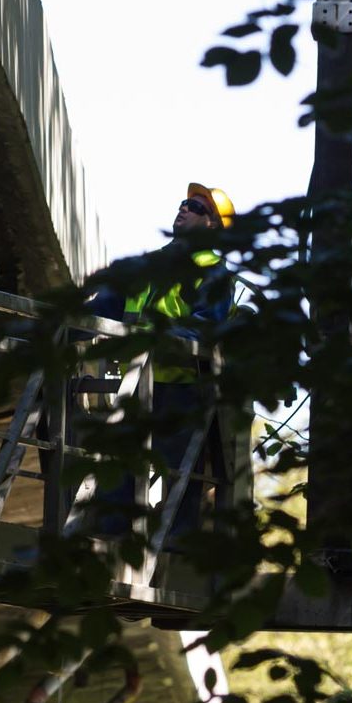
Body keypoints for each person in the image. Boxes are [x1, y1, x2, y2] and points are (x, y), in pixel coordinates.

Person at [89, 182, 235, 544]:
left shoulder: (214, 272)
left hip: (181, 387)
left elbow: (204, 326)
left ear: (213, 226)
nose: (184, 208)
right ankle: (109, 536)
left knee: (179, 473)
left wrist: (157, 335)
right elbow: (99, 308)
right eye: (184, 203)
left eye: (197, 208)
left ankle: (174, 548)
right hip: (139, 380)